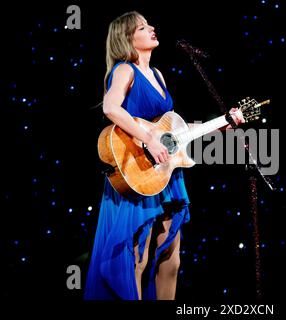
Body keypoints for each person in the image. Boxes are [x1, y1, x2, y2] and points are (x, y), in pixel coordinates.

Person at [84, 11, 245, 300]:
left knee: (171, 259)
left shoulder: (157, 75)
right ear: (127, 38)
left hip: (166, 172)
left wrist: (223, 123)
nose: (152, 29)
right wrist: (147, 139)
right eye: (143, 27)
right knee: (138, 256)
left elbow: (171, 131)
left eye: (149, 25)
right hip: (138, 169)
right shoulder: (124, 70)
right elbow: (111, 108)